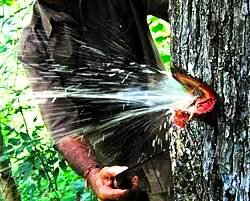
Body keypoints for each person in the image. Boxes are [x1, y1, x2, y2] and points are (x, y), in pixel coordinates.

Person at [18, 0, 174, 200]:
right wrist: (93, 174)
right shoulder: (34, 43)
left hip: (169, 144)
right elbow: (62, 126)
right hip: (116, 171)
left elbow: (178, 8)